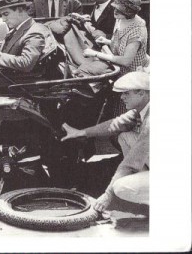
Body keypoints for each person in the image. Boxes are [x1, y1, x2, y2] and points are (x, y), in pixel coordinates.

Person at [61, 71, 149, 213]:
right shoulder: (142, 108)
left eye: (127, 93)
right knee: (125, 137)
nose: (122, 97)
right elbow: (115, 124)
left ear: (142, 93)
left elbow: (131, 164)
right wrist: (81, 133)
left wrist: (108, 195)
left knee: (121, 187)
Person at [83, 0, 149, 116]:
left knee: (125, 113)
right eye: (115, 7)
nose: (115, 11)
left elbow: (126, 60)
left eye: (120, 9)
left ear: (129, 12)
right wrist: (108, 41)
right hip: (119, 72)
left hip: (132, 78)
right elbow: (121, 41)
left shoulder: (137, 31)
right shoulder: (120, 20)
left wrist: (95, 54)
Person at [0, 0, 57, 73]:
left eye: (6, 14)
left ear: (20, 10)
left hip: (18, 82)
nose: (3, 19)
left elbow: (26, 63)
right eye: (1, 15)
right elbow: (3, 50)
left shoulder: (34, 32)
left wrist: (0, 56)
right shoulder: (17, 30)